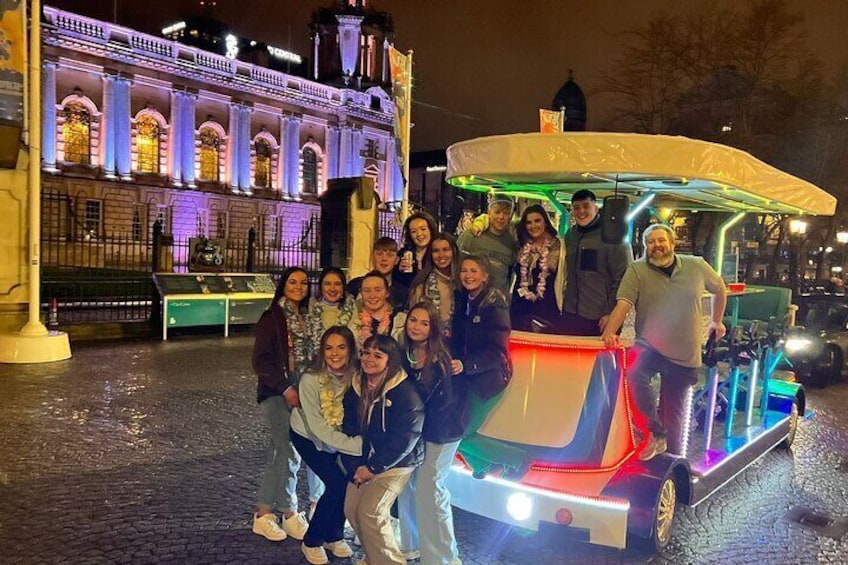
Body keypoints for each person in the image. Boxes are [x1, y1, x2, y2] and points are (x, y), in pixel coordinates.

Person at [601, 224, 727, 460]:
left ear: (672, 243)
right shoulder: (637, 270)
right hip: (649, 344)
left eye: (661, 241)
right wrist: (610, 332)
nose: (656, 246)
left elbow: (720, 288)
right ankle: (653, 432)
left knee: (674, 414)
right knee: (633, 373)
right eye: (651, 242)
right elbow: (623, 304)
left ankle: (672, 466)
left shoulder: (696, 265)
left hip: (684, 352)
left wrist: (716, 321)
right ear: (645, 246)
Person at [341, 334, 425, 565]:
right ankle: (374, 558)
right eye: (366, 353)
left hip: (396, 463)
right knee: (351, 509)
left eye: (377, 355)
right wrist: (355, 463)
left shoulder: (405, 393)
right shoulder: (357, 385)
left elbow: (405, 439)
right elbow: (349, 427)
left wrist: (373, 467)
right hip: (365, 459)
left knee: (371, 512)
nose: (369, 359)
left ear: (390, 361)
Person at [251, 267, 316, 542]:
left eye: (303, 282)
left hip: (302, 391)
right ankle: (282, 512)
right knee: (286, 450)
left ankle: (270, 512)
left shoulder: (307, 316)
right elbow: (261, 360)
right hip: (279, 392)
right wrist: (285, 387)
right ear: (283, 285)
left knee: (286, 451)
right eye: (293, 282)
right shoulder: (273, 317)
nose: (298, 286)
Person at [398, 302, 466, 565]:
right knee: (409, 486)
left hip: (441, 431)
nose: (416, 326)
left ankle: (444, 558)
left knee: (431, 490)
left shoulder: (441, 359)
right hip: (416, 431)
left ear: (433, 328)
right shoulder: (404, 354)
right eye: (413, 320)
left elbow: (442, 405)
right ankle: (411, 544)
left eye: (424, 323)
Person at [289, 326, 361, 565]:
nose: (335, 353)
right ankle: (311, 540)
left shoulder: (357, 375)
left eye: (341, 347)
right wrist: (355, 446)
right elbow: (318, 427)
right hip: (308, 436)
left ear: (351, 350)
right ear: (322, 351)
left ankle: (334, 535)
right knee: (337, 483)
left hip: (340, 438)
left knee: (346, 483)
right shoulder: (310, 379)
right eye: (329, 347)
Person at [452, 255, 512, 433]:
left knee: (463, 435)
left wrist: (465, 365)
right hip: (468, 377)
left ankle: (520, 461)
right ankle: (500, 463)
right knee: (457, 434)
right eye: (464, 271)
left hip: (488, 379)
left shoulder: (494, 304)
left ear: (485, 276)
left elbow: (497, 353)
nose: (468, 275)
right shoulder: (464, 300)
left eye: (473, 271)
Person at [561, 189, 632, 336]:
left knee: (599, 359)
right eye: (577, 207)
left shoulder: (613, 238)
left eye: (586, 206)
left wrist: (611, 313)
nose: (581, 211)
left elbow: (623, 279)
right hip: (570, 313)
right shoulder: (571, 235)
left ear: (596, 208)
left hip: (599, 317)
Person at [511, 204, 566, 332]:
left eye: (537, 220)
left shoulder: (559, 246)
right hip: (519, 306)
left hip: (547, 307)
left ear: (546, 222)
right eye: (528, 222)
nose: (533, 225)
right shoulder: (520, 243)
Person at [457, 198, 519, 297]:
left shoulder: (513, 241)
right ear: (489, 213)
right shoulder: (472, 234)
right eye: (497, 212)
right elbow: (456, 261)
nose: (501, 217)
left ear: (511, 216)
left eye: (506, 213)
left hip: (499, 302)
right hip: (469, 298)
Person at [408, 233, 460, 334]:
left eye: (446, 250)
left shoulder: (463, 281)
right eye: (436, 251)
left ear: (453, 251)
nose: (441, 255)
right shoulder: (422, 284)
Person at [348, 237, 410, 310]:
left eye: (390, 255)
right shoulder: (355, 285)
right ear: (372, 257)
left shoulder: (403, 292)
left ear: (396, 260)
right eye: (379, 254)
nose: (384, 259)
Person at [348, 271, 406, 349]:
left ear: (387, 292)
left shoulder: (402, 320)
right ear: (361, 293)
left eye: (378, 290)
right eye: (367, 291)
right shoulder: (352, 319)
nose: (372, 296)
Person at [308, 267, 358, 345]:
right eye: (327, 284)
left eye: (337, 284)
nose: (332, 289)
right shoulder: (310, 307)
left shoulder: (354, 307)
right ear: (320, 287)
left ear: (343, 287)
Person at [395, 210, 439, 288]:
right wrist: (400, 271)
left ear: (431, 230)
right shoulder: (403, 254)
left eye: (423, 229)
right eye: (414, 231)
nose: (419, 234)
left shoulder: (439, 253)